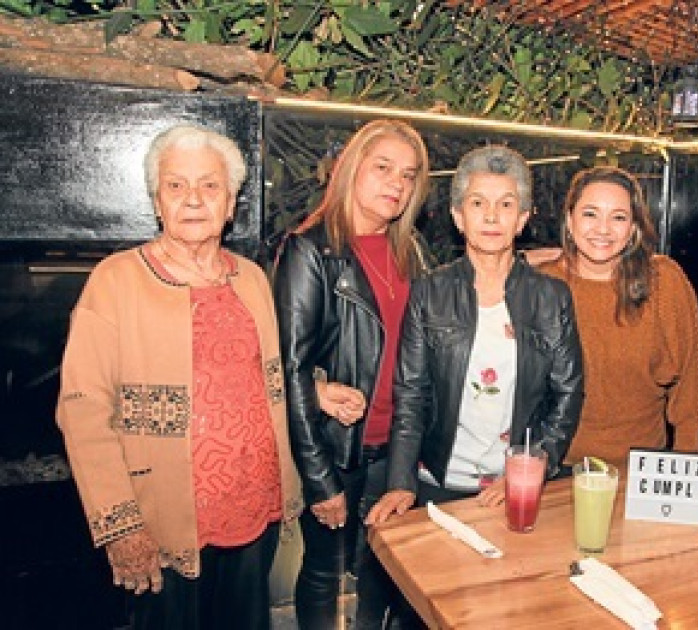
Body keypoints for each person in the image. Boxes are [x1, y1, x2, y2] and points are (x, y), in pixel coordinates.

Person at [56, 124, 303, 630]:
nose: (193, 199)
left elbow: (263, 382)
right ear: (157, 201)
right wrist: (121, 525)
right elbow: (81, 410)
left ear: (231, 203)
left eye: (210, 186)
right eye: (176, 186)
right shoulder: (117, 280)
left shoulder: (251, 279)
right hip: (165, 521)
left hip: (255, 508)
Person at [366, 145, 584, 524]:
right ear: (458, 216)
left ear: (522, 219)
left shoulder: (551, 298)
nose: (491, 216)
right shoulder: (428, 293)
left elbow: (566, 396)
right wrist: (400, 481)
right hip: (436, 481)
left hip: (513, 486)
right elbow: (411, 395)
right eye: (478, 203)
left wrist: (528, 468)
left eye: (506, 204)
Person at [272, 119, 433, 629]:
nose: (397, 184)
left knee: (385, 572)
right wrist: (319, 480)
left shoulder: (412, 253)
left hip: (400, 446)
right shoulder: (311, 251)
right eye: (383, 168)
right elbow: (289, 368)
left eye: (408, 175)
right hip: (338, 448)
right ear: (350, 169)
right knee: (325, 571)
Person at [539, 166, 698, 465]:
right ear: (569, 219)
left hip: (640, 467)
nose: (603, 229)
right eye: (590, 214)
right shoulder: (541, 285)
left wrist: (686, 461)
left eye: (618, 217)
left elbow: (690, 378)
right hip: (554, 467)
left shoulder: (664, 282)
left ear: (633, 228)